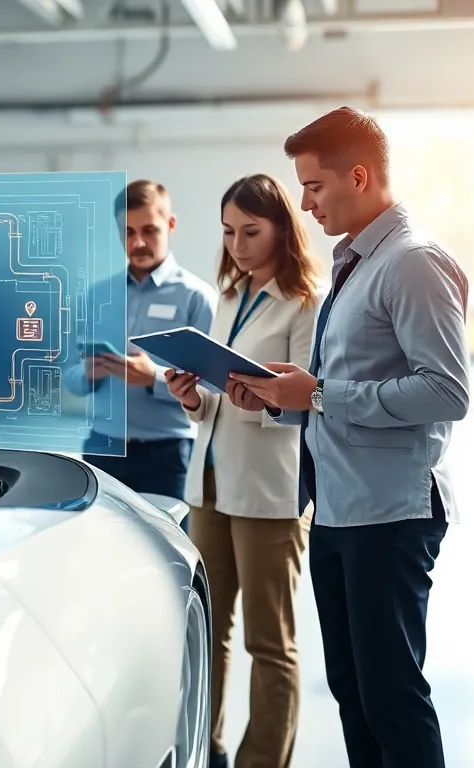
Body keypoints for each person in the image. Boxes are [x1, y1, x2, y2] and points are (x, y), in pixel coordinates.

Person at [228, 107, 469, 768]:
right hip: (337, 509)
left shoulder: (413, 262)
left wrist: (319, 395)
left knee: (391, 698)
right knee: (354, 694)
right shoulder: (356, 263)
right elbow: (343, 384)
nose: (305, 205)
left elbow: (446, 391)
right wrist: (284, 397)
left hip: (389, 513)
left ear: (358, 177)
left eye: (314, 187)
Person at [163, 174, 323, 768]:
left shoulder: (306, 303)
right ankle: (207, 747)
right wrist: (190, 397)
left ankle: (263, 761)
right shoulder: (227, 295)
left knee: (268, 641)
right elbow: (216, 398)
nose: (237, 244)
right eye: (229, 232)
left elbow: (306, 403)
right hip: (208, 483)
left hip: (268, 491)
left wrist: (258, 400)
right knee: (209, 630)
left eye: (250, 232)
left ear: (282, 229)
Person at [68, 179, 216, 516]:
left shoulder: (197, 297)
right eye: (128, 232)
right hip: (101, 449)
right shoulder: (96, 296)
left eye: (149, 230)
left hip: (168, 455)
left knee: (167, 545)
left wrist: (154, 378)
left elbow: (212, 387)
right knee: (98, 541)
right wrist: (87, 374)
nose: (137, 242)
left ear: (171, 224)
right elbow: (69, 376)